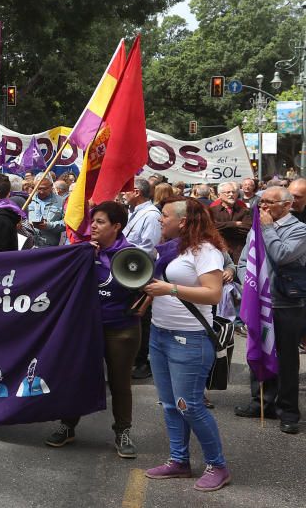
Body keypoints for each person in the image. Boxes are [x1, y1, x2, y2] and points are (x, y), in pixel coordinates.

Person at [142, 197, 230, 491]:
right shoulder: (171, 250)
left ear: (182, 221)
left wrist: (171, 288)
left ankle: (218, 466)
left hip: (189, 339)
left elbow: (213, 294)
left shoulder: (206, 251)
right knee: (170, 405)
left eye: (164, 216)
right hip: (160, 334)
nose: (159, 220)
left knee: (189, 405)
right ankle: (178, 461)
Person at [45, 201, 141, 458]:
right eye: (93, 222)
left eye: (100, 222)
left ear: (116, 226)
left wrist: (140, 305)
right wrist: (82, 254)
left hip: (121, 329)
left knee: (120, 383)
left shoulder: (131, 255)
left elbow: (148, 287)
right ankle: (68, 426)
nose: (94, 227)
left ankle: (122, 431)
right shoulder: (83, 250)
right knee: (76, 375)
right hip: (85, 327)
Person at [234, 186, 306, 434]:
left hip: (287, 303)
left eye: (269, 203)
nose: (262, 207)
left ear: (287, 206)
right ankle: (261, 402)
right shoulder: (257, 228)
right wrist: (251, 288)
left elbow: (282, 254)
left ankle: (288, 411)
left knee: (286, 359)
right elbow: (245, 262)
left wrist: (267, 228)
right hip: (261, 302)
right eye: (261, 202)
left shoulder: (299, 230)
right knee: (259, 350)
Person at [124, 177, 162, 380]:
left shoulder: (151, 215)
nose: (123, 193)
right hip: (129, 271)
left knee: (142, 317)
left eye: (126, 190)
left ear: (136, 192)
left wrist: (119, 252)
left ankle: (142, 361)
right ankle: (133, 357)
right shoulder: (134, 212)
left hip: (140, 272)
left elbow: (149, 248)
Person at [209, 182, 251, 263]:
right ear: (219, 195)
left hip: (239, 252)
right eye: (228, 192)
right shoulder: (212, 211)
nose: (231, 194)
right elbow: (210, 228)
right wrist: (234, 224)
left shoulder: (244, 211)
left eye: (234, 192)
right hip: (218, 252)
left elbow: (247, 229)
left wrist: (222, 229)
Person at [28, 174, 65, 247]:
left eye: (44, 189)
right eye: (39, 188)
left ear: (51, 186)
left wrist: (49, 225)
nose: (41, 192)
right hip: (30, 246)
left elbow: (66, 223)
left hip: (50, 247)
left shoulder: (61, 202)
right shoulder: (28, 199)